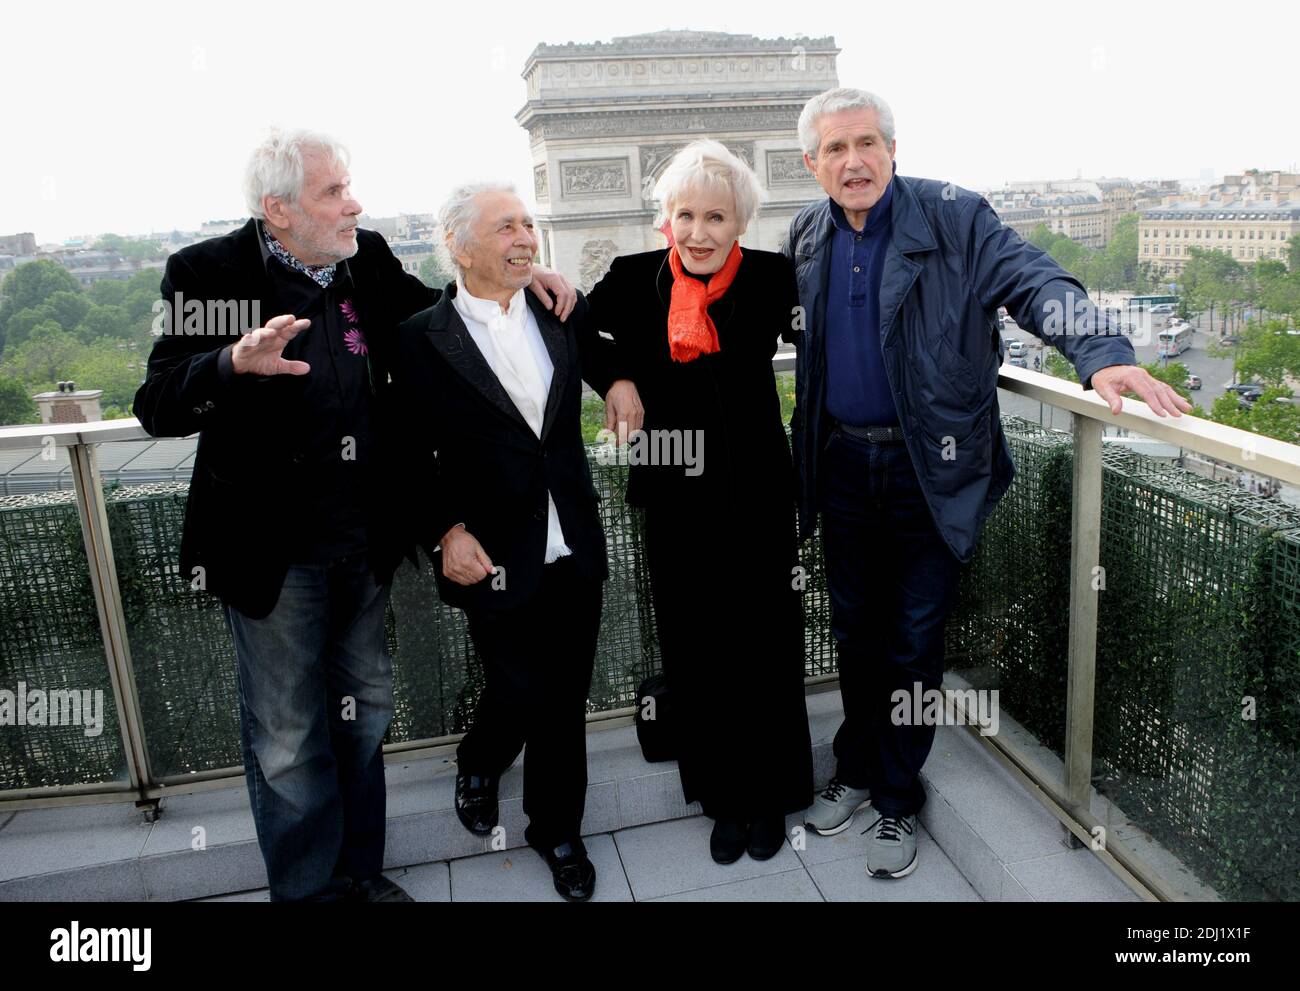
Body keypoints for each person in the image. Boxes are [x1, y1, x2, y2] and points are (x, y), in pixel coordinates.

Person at [132, 130, 575, 902]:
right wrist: (231, 364)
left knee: (363, 717)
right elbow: (157, 404)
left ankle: (362, 877)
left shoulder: (362, 256)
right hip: (273, 557)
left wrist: (517, 274)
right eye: (334, 192)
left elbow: (440, 321)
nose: (354, 203)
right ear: (278, 209)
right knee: (288, 741)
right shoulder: (209, 272)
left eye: (349, 188)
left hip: (364, 545)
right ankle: (307, 895)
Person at [786, 88, 1192, 878]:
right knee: (856, 632)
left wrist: (1100, 349)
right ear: (812, 165)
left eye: (867, 143)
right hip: (839, 465)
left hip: (930, 467)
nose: (854, 160)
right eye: (834, 150)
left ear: (893, 150)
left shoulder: (955, 216)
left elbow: (1036, 282)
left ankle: (897, 798)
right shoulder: (807, 232)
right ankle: (858, 767)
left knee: (913, 637)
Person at [390, 182, 640, 901]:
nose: (526, 236)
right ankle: (480, 756)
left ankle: (556, 829)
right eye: (507, 226)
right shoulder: (418, 338)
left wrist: (620, 379)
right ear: (461, 246)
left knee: (562, 696)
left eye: (529, 222)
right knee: (521, 684)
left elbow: (604, 354)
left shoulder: (560, 307)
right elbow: (406, 451)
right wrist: (444, 530)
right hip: (489, 551)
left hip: (574, 539)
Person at [577, 140, 814, 865]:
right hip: (672, 489)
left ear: (740, 220)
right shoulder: (631, 278)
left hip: (757, 488)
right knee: (695, 643)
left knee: (767, 643)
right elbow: (577, 330)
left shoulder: (777, 279)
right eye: (686, 215)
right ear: (666, 219)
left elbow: (837, 340)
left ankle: (772, 793)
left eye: (716, 216)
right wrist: (616, 379)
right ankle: (721, 797)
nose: (700, 231)